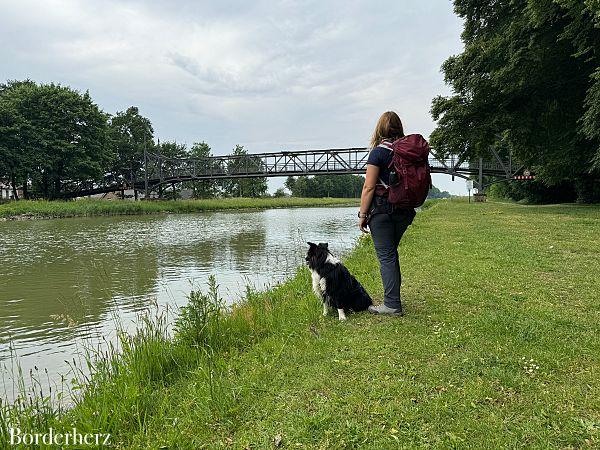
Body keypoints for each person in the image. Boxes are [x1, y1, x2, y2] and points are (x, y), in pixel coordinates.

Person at [358, 111, 416, 316]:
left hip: (382, 212)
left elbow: (368, 187)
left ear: (379, 129)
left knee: (386, 256)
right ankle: (393, 300)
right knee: (391, 254)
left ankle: (392, 305)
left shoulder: (378, 153)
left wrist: (362, 215)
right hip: (405, 212)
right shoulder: (408, 151)